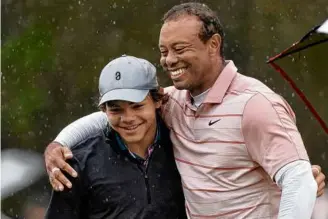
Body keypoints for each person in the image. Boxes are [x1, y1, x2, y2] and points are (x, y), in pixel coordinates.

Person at [44, 2, 326, 219]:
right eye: (164, 51)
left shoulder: (256, 105)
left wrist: (300, 177)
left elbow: (299, 181)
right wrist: (59, 144)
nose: (169, 60)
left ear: (213, 44)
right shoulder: (174, 102)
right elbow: (116, 114)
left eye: (179, 48)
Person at [45, 55, 186, 218]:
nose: (128, 118)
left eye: (137, 106)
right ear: (103, 110)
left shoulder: (182, 143)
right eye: (116, 110)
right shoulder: (77, 166)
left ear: (158, 101)